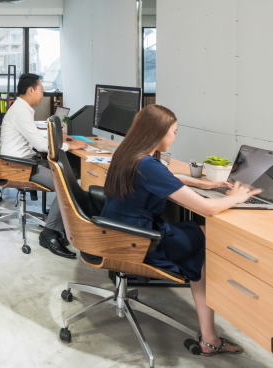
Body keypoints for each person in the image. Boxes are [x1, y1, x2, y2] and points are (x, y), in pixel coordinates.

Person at [102, 104, 259, 356]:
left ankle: (209, 335)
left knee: (195, 232)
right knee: (205, 236)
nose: (175, 136)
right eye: (174, 131)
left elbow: (161, 174)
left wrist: (197, 181)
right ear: (160, 132)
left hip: (116, 233)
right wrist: (236, 197)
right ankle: (209, 337)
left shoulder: (128, 154)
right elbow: (207, 208)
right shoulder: (148, 165)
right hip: (140, 241)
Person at [0, 73, 89, 258]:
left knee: (71, 173)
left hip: (22, 161)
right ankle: (49, 234)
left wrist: (57, 138)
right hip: (19, 166)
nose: (43, 95)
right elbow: (41, 146)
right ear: (31, 90)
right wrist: (68, 145)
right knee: (66, 186)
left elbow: (35, 138)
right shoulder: (21, 111)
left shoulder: (21, 108)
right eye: (41, 90)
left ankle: (62, 224)